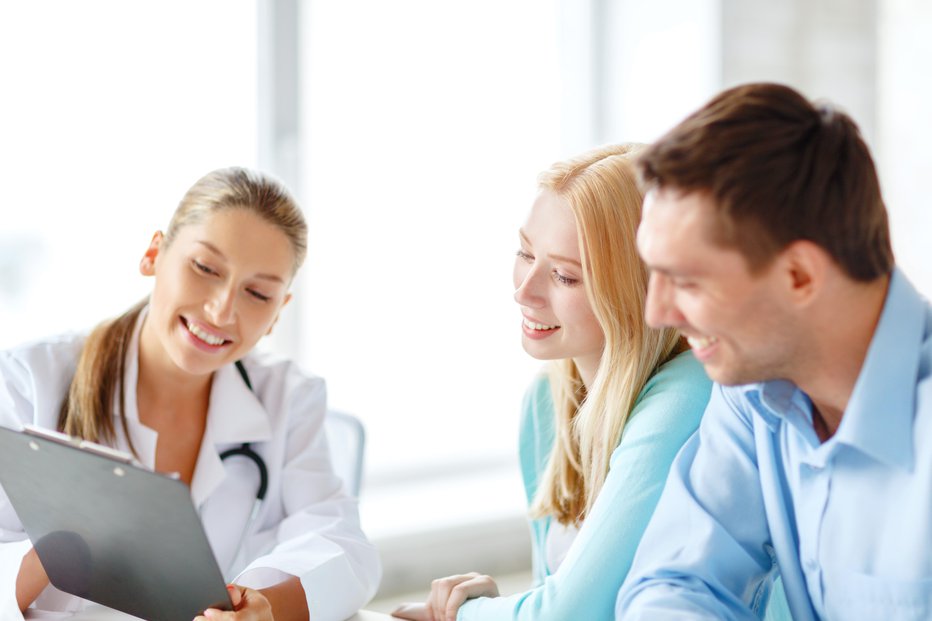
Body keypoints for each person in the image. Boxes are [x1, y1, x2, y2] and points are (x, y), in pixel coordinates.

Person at [0, 167, 381, 621]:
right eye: (204, 268)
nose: (222, 309)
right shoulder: (29, 381)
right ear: (154, 254)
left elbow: (341, 544)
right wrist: (63, 541)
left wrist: (264, 608)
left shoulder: (289, 398)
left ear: (279, 311)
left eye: (257, 293)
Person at [614, 82, 928, 620]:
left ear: (799, 275)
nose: (656, 314)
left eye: (686, 282)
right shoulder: (755, 392)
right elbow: (672, 583)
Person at [392, 144, 712, 621]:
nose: (524, 290)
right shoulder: (547, 403)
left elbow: (568, 613)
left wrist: (466, 615)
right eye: (525, 253)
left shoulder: (689, 394)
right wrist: (500, 604)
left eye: (564, 276)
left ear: (635, 290)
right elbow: (558, 597)